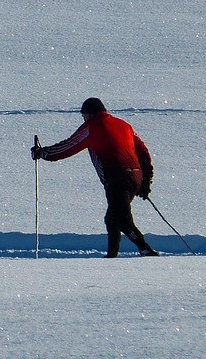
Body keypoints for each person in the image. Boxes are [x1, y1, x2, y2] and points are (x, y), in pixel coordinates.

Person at [32, 98, 160, 257]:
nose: (83, 119)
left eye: (84, 116)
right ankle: (112, 256)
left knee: (123, 220)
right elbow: (144, 152)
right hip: (135, 177)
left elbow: (69, 146)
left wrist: (43, 153)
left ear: (90, 114)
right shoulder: (124, 125)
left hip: (116, 179)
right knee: (112, 219)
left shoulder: (92, 127)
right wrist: (146, 181)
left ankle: (146, 249)